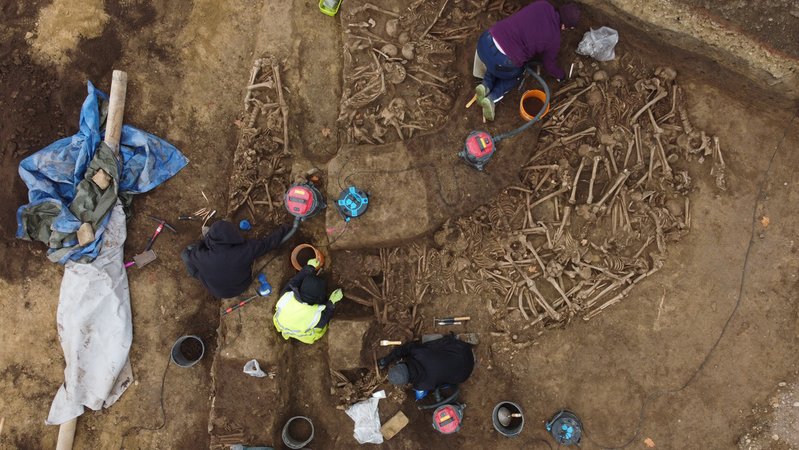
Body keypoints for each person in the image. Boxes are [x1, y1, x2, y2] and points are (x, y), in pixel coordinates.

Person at [474, 1, 580, 121]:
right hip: (503, 60)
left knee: (495, 64)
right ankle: (492, 98)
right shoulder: (554, 39)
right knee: (516, 73)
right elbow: (549, 65)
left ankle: (485, 86)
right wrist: (561, 76)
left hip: (486, 40)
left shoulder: (543, 5)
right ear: (564, 26)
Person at [181, 220, 291, 298]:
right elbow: (267, 244)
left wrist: (205, 242)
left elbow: (192, 251)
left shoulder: (201, 256)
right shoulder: (246, 250)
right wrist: (286, 228)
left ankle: (199, 274)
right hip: (241, 286)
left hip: (217, 292)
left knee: (187, 252)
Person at [273, 258, 343, 344]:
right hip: (303, 335)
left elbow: (294, 281)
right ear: (320, 299)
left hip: (281, 326)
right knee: (319, 330)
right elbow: (325, 319)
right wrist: (332, 302)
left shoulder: (286, 296)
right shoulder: (315, 316)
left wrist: (309, 268)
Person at [378, 335, 475, 392]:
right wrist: (387, 359)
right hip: (463, 350)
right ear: (402, 363)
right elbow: (406, 348)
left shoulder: (421, 386)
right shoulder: (419, 353)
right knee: (428, 343)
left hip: (464, 375)